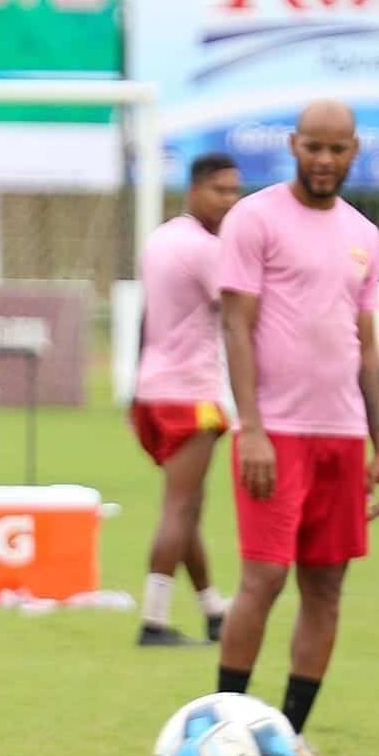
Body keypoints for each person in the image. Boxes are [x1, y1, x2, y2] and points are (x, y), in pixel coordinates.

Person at [215, 100, 379, 756]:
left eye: (337, 148)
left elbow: (366, 346)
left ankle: (288, 735)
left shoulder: (363, 235)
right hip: (276, 433)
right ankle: (222, 724)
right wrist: (251, 427)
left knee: (327, 587)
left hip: (342, 436)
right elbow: (236, 326)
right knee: (263, 576)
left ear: (354, 150)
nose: (324, 160)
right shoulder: (254, 218)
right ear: (293, 145)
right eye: (313, 147)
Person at [131, 153, 240, 647]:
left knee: (187, 507)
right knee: (181, 506)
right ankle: (153, 621)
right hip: (190, 394)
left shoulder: (160, 239)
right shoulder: (207, 249)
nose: (230, 201)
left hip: (151, 392)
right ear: (195, 189)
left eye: (235, 191)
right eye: (221, 190)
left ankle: (214, 610)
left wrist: (135, 385)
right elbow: (243, 313)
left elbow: (146, 316)